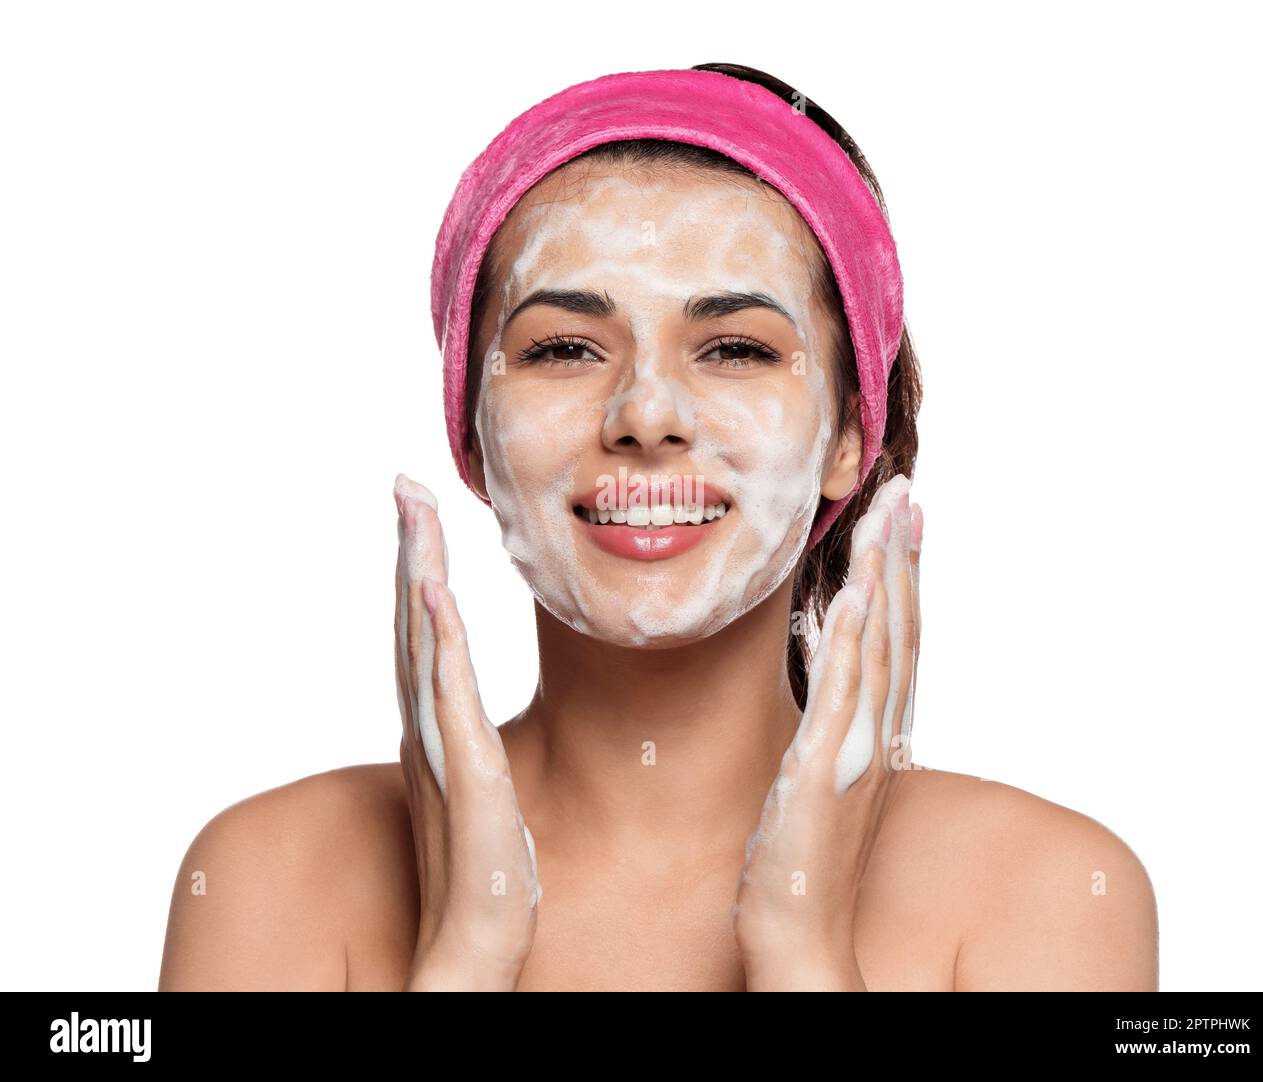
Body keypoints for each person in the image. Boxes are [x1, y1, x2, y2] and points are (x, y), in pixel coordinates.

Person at [158, 63, 1158, 992]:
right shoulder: (269, 874)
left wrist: (803, 950)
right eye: (561, 347)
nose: (644, 414)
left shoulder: (1049, 890)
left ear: (854, 435)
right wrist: (465, 951)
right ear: (470, 432)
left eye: (731, 346)